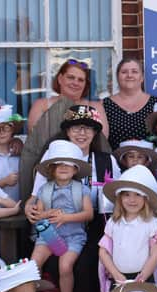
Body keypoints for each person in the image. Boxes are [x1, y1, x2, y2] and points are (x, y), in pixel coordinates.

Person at [25, 104, 121, 292]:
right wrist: (31, 209)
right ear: (67, 131)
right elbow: (35, 197)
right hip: (54, 230)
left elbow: (116, 199)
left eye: (88, 128)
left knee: (86, 267)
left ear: (95, 133)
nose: (82, 133)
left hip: (94, 229)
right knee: (51, 265)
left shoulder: (105, 161)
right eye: (76, 127)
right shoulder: (51, 160)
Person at [21, 59, 109, 199]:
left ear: (86, 84)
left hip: (88, 168)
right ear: (60, 78)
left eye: (81, 80)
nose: (75, 82)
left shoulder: (96, 107)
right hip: (51, 168)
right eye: (70, 77)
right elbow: (35, 141)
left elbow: (102, 138)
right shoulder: (42, 105)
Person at [30, 141, 93, 292]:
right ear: (51, 169)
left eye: (68, 165)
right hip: (48, 236)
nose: (64, 168)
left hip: (73, 236)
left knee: (65, 266)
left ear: (75, 169)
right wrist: (46, 214)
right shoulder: (45, 190)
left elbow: (88, 214)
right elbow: (38, 215)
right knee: (34, 263)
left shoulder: (81, 189)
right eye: (59, 164)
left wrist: (67, 218)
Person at [99, 165, 157, 292]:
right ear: (120, 199)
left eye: (137, 195)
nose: (132, 200)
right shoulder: (114, 222)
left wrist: (145, 274)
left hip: (143, 277)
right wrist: (115, 274)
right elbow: (103, 251)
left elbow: (156, 252)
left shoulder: (151, 223)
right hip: (119, 277)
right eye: (127, 195)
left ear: (145, 198)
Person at [104, 58, 157, 150]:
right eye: (124, 72)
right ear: (117, 77)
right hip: (114, 162)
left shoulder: (156, 104)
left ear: (142, 77)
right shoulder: (104, 105)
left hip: (151, 162)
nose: (129, 75)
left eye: (134, 71)